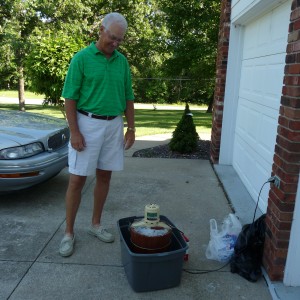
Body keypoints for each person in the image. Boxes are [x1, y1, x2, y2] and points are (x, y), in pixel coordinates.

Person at [59, 12, 135, 257]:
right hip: (86, 124)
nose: (115, 43)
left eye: (119, 40)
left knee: (105, 177)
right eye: (112, 37)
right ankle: (69, 233)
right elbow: (69, 97)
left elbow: (128, 97)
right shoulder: (81, 58)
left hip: (114, 125)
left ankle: (95, 225)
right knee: (77, 180)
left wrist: (131, 127)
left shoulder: (121, 61)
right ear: (101, 30)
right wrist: (74, 132)